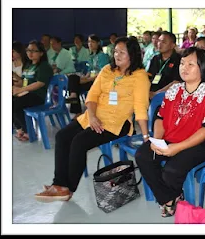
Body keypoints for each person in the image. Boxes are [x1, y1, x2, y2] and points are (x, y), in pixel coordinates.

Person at [34, 36, 151, 202]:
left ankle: (68, 189)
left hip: (116, 122)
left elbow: (140, 108)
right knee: (62, 136)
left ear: (132, 54)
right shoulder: (107, 70)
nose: (117, 55)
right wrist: (93, 116)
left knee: (79, 142)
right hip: (93, 116)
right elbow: (92, 96)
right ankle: (59, 184)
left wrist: (146, 136)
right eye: (115, 51)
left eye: (122, 52)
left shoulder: (140, 77)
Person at [135, 47, 205, 217]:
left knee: (171, 170)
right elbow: (160, 117)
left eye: (191, 64)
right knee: (143, 156)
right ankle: (169, 198)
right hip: (170, 137)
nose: (184, 68)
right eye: (182, 63)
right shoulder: (174, 89)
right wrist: (157, 140)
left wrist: (177, 148)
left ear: (202, 67)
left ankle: (168, 197)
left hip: (198, 144)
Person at [12, 40, 53, 141]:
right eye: (28, 50)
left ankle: (28, 131)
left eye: (33, 51)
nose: (30, 53)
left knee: (15, 103)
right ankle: (20, 128)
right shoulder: (28, 65)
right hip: (26, 93)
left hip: (37, 96)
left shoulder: (44, 66)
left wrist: (21, 89)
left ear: (41, 53)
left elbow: (40, 83)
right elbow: (24, 82)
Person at [65, 34, 110, 117]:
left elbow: (103, 72)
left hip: (99, 81)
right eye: (89, 42)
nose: (90, 44)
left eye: (92, 42)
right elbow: (90, 70)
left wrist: (89, 79)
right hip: (91, 79)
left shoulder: (102, 56)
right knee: (72, 78)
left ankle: (74, 100)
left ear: (98, 43)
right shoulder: (91, 56)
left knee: (75, 85)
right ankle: (74, 101)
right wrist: (85, 77)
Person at [148, 31, 182, 100]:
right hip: (151, 93)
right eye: (159, 41)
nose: (159, 44)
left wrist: (157, 94)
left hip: (169, 96)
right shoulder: (155, 58)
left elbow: (177, 82)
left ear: (172, 45)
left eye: (163, 42)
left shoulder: (178, 60)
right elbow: (149, 76)